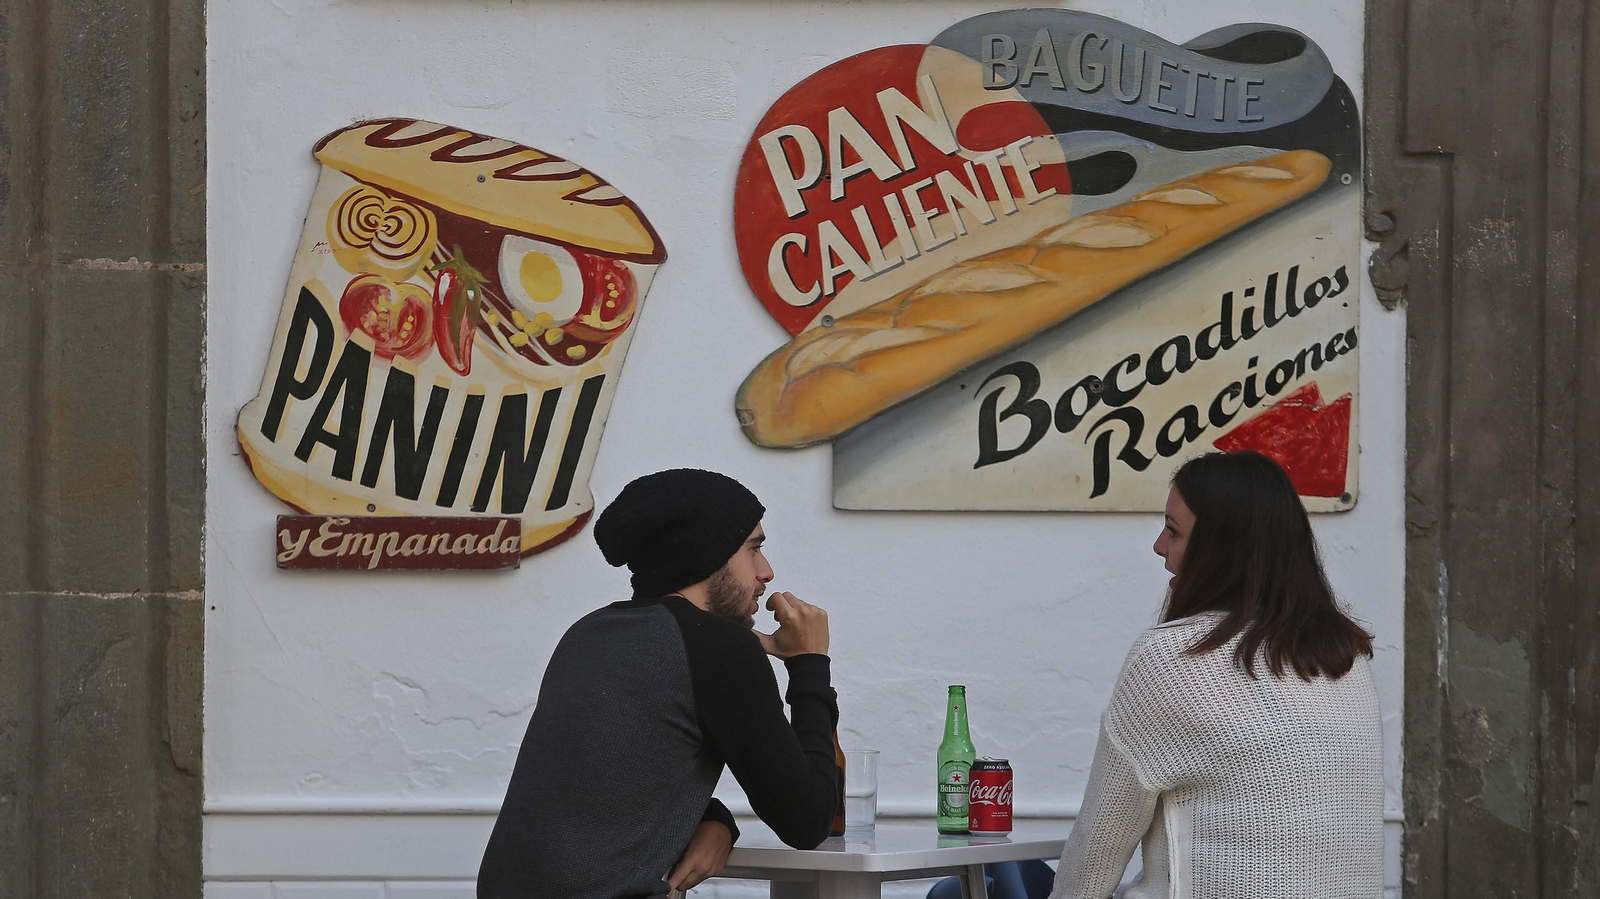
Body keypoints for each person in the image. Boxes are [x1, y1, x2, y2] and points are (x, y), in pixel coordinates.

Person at [477, 469, 841, 899]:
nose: (767, 572)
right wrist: (809, 663)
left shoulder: (588, 634)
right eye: (753, 549)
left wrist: (716, 819)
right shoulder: (717, 646)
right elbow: (808, 821)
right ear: (708, 555)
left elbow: (607, 786)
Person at [1051, 451, 1382, 899]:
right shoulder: (1345, 659)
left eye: (1173, 531)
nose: (1159, 546)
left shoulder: (1171, 659)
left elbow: (1094, 858)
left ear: (1220, 550)